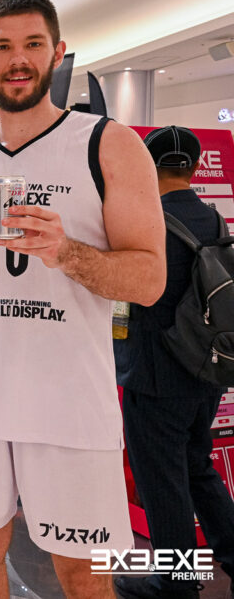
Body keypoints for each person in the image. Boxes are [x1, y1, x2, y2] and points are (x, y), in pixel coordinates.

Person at [0, 0, 165, 598]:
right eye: (2, 47)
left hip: (68, 404)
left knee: (82, 572)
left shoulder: (107, 144)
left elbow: (149, 280)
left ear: (57, 52)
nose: (17, 59)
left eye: (32, 44)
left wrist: (65, 251)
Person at [114, 125, 234, 599]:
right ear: (195, 167)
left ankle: (177, 581)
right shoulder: (214, 219)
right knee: (197, 465)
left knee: (162, 479)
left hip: (156, 372)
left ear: (147, 165)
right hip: (208, 366)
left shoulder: (146, 222)